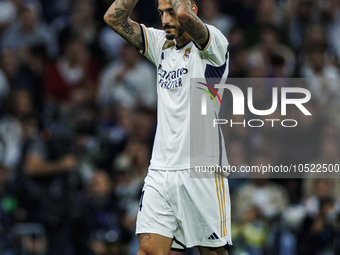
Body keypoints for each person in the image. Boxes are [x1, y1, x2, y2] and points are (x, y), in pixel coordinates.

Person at [104, 0, 231, 254]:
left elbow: (183, 12)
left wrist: (179, 9)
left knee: (212, 252)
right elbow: (113, 19)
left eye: (169, 12)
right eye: (160, 13)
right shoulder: (161, 44)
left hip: (202, 170)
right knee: (149, 250)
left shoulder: (213, 43)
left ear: (193, 10)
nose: (164, 20)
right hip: (161, 170)